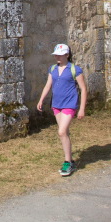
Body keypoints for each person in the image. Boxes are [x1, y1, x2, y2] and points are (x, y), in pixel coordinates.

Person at [35, 43, 87, 176]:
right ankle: (70, 160)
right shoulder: (52, 69)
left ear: (67, 55)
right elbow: (48, 85)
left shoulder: (75, 69)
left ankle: (67, 163)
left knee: (61, 132)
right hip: (56, 104)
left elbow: (83, 89)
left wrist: (81, 109)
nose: (57, 57)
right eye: (56, 55)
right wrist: (41, 100)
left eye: (60, 54)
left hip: (69, 104)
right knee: (65, 133)